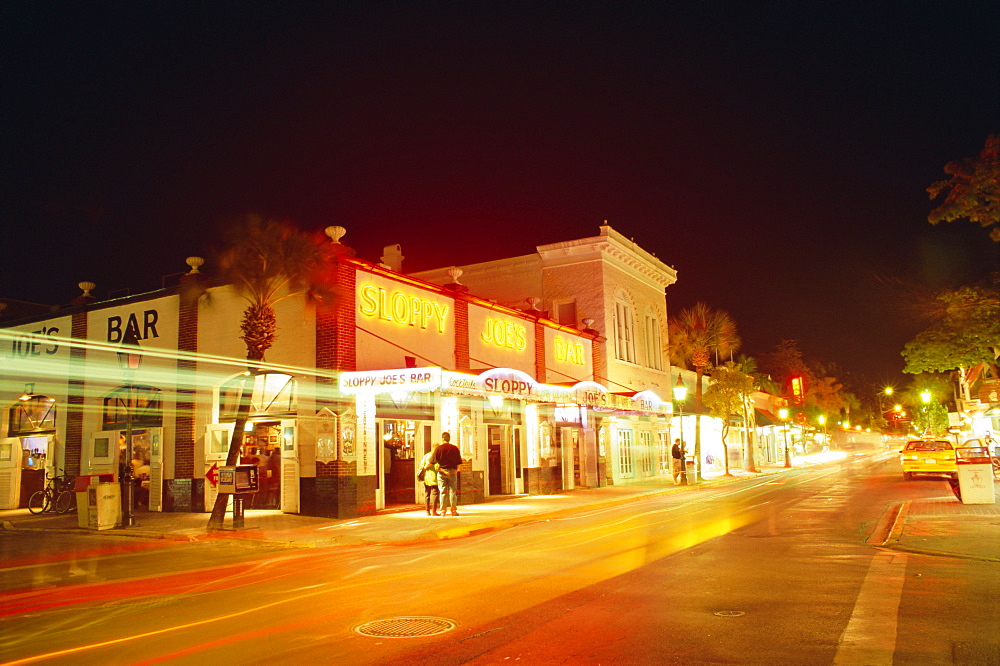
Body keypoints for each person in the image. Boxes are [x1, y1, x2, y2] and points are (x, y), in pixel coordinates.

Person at [430, 432, 462, 516]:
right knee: (453, 492)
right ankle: (453, 510)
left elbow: (432, 461)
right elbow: (459, 462)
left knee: (443, 491)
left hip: (441, 472)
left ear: (442, 439)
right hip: (452, 472)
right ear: (449, 438)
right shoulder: (455, 448)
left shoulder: (438, 448)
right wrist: (456, 470)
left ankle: (443, 511)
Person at [418, 451, 440, 515]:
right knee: (434, 494)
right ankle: (434, 511)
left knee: (427, 494)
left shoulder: (426, 456)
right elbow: (437, 467)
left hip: (426, 478)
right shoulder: (435, 457)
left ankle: (427, 511)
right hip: (434, 478)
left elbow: (421, 465)